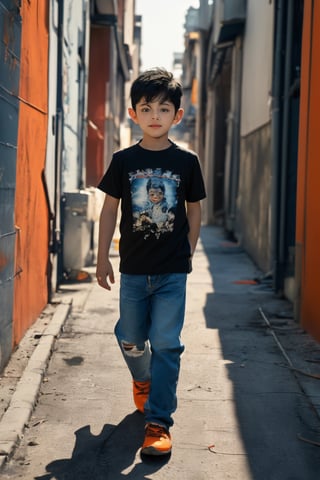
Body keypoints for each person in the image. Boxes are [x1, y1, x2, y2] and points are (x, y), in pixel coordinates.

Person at [96, 68, 206, 456]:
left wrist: (188, 251)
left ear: (177, 115)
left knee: (166, 344)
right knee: (130, 337)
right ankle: (142, 379)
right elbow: (110, 210)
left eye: (164, 108)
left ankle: (158, 423)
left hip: (172, 272)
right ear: (133, 113)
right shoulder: (124, 160)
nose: (155, 115)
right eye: (147, 108)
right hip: (133, 270)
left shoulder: (187, 162)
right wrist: (101, 257)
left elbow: (195, 212)